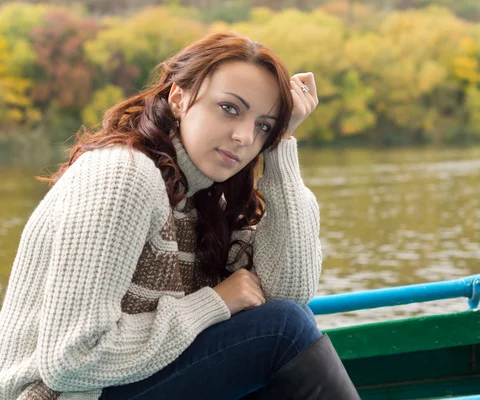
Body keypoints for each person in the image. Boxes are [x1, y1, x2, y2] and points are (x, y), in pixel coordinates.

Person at [0, 32, 360, 399]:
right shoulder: (123, 176)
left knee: (285, 326)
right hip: (63, 393)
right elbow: (71, 360)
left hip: (122, 382)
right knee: (283, 330)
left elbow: (289, 292)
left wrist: (283, 144)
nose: (243, 136)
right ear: (178, 97)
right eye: (230, 108)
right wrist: (214, 303)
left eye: (263, 126)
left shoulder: (203, 200)